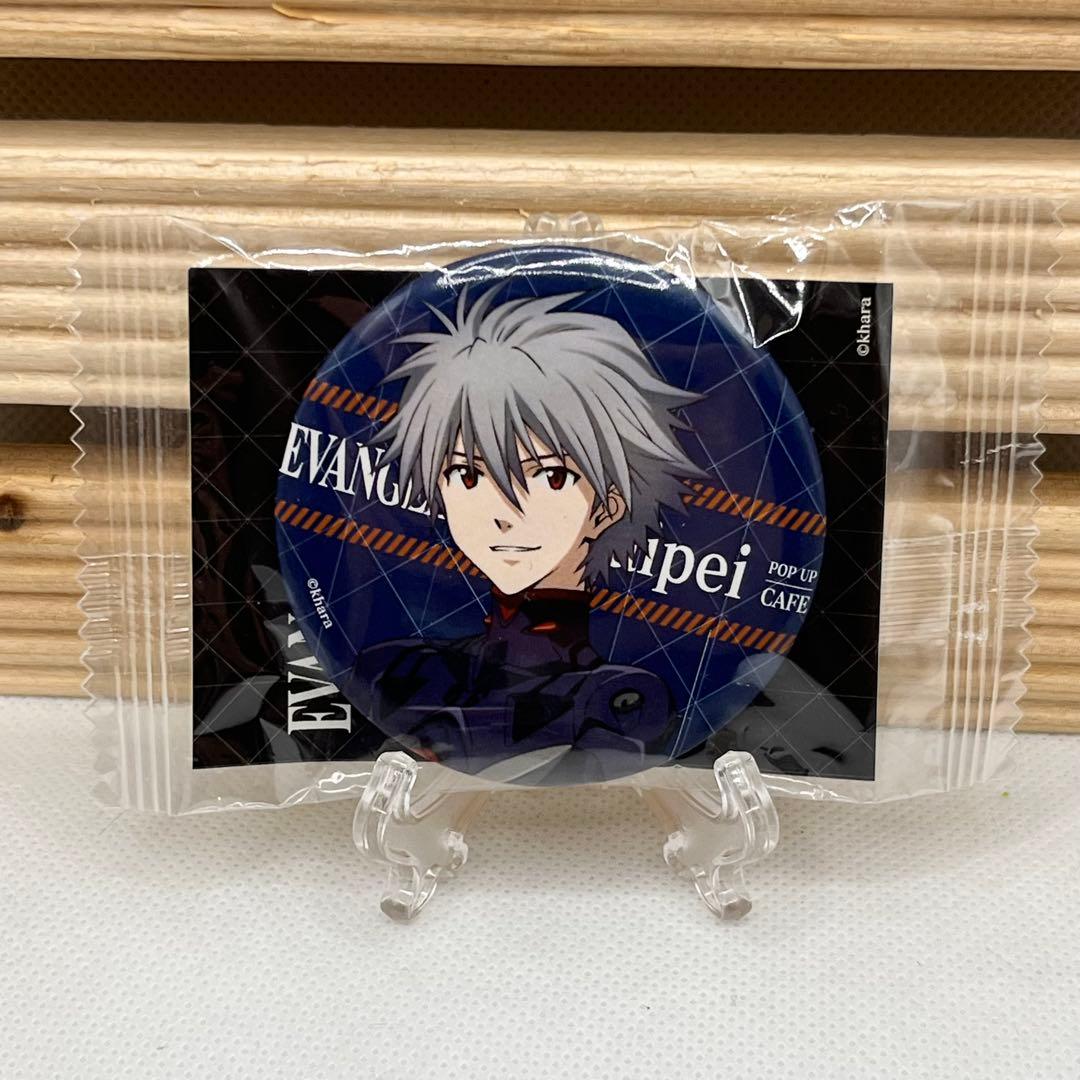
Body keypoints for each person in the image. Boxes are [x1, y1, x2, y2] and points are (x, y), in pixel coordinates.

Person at [347, 284, 705, 785]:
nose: (503, 513)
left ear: (608, 507)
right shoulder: (399, 669)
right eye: (467, 475)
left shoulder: (623, 701)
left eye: (550, 477)